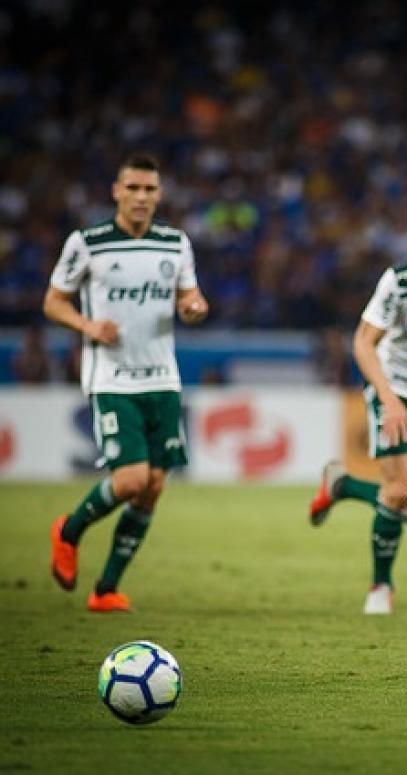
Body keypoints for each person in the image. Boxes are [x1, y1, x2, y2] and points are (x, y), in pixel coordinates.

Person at [44, 153, 209, 612]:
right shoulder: (88, 242)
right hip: (112, 378)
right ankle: (69, 531)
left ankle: (105, 590)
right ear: (116, 191)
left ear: (159, 194)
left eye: (149, 189)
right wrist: (87, 326)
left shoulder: (175, 244)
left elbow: (190, 297)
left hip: (163, 377)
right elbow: (53, 302)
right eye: (132, 188)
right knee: (133, 479)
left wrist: (194, 306)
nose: (141, 197)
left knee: (154, 486)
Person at [307, 199, 407, 615]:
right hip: (396, 391)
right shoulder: (399, 280)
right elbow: (362, 342)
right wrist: (389, 400)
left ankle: (343, 486)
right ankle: (380, 587)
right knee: (397, 492)